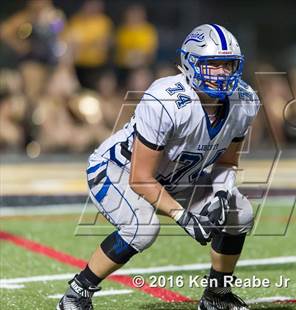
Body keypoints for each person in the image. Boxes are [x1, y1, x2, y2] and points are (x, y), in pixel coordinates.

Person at [57, 24, 259, 310]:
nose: (223, 73)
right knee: (142, 228)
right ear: (191, 64)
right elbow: (140, 178)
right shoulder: (167, 99)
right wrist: (184, 217)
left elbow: (227, 161)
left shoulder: (244, 100)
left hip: (177, 177)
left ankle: (217, 295)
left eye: (228, 65)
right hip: (119, 171)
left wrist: (222, 193)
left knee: (240, 214)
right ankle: (77, 293)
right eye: (213, 65)